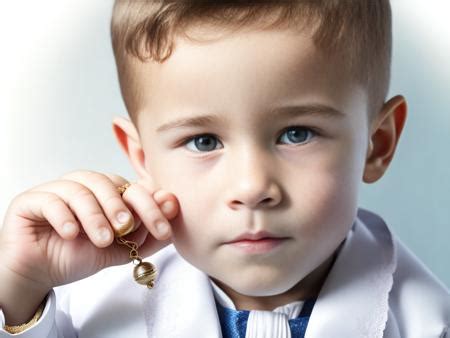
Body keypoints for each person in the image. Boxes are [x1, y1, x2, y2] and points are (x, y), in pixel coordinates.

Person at [1, 0, 449, 337]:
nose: (252, 187)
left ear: (378, 144)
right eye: (203, 141)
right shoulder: (87, 307)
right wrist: (20, 289)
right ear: (143, 160)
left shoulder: (427, 320)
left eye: (297, 134)